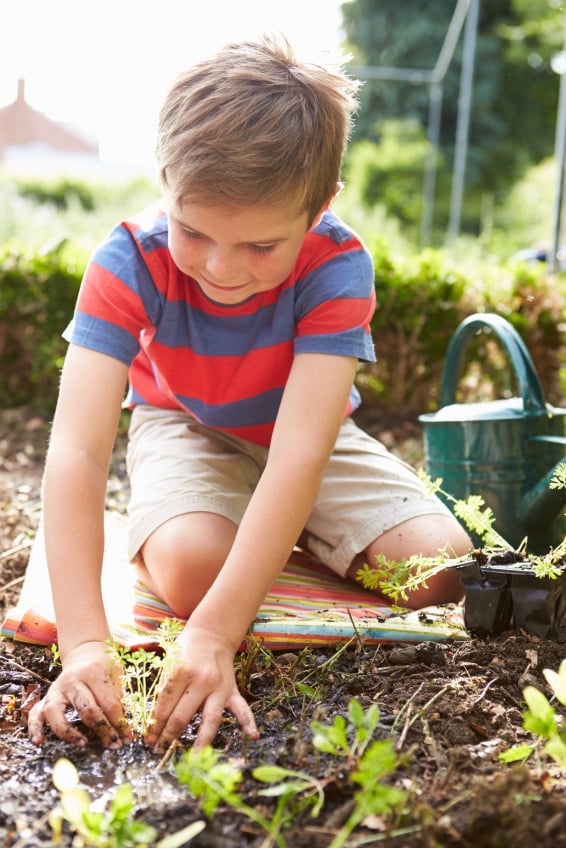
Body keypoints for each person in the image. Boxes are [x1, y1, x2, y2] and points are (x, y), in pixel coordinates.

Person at [27, 37, 471, 753]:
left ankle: (262, 537)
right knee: (197, 573)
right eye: (193, 231)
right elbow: (77, 448)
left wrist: (215, 634)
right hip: (183, 419)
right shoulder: (125, 262)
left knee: (439, 570)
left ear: (318, 206)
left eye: (261, 246)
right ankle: (216, 534)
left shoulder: (338, 265)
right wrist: (83, 643)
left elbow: (301, 451)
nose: (220, 268)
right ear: (166, 181)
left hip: (302, 434)